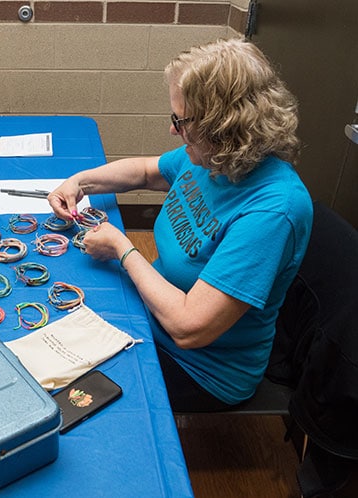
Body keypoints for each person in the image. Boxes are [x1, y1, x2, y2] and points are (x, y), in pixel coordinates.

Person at [47, 38, 313, 412]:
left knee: (62, 402)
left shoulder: (272, 210)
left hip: (202, 368)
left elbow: (190, 328)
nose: (173, 130)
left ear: (223, 125)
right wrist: (81, 182)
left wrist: (123, 250)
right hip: (150, 310)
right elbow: (144, 170)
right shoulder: (211, 156)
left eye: (181, 120)